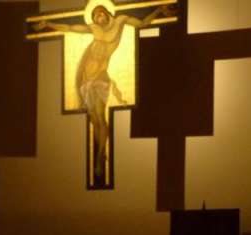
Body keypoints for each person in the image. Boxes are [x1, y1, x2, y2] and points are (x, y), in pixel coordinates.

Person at [35, 3, 175, 180]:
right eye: (94, 16)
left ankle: (100, 157)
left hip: (101, 76)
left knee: (101, 118)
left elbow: (142, 23)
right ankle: (101, 151)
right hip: (86, 78)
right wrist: (48, 24)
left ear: (107, 12)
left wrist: (158, 11)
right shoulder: (94, 29)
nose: (97, 18)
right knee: (94, 120)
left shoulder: (120, 20)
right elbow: (69, 28)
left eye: (100, 14)